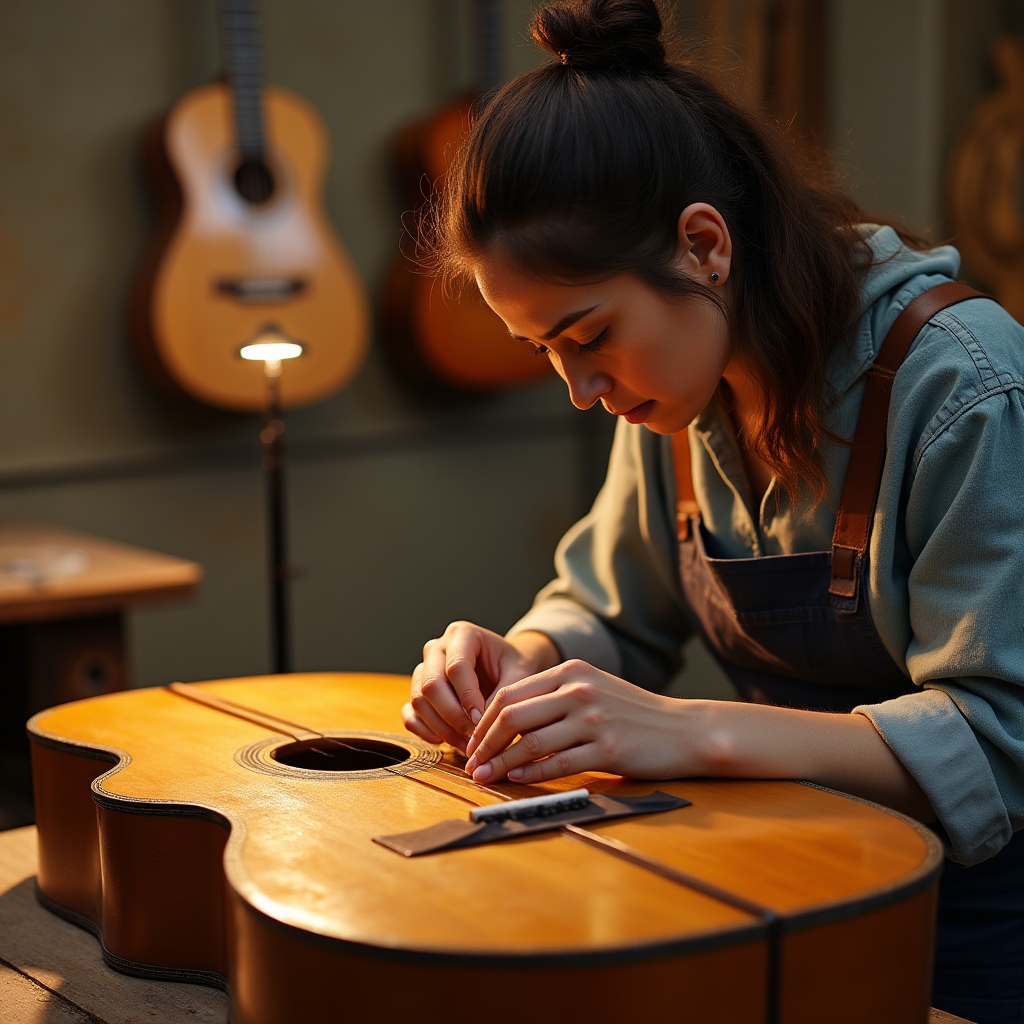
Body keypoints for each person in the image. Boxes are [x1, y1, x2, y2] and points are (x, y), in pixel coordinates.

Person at [401, 2, 1024, 1020]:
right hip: (780, 889)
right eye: (544, 353)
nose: (580, 389)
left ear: (703, 245)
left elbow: (997, 739)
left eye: (588, 334)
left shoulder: (966, 392)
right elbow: (607, 611)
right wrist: (519, 661)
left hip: (968, 937)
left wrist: (688, 731)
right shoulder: (681, 390)